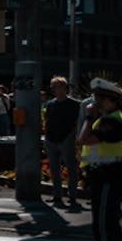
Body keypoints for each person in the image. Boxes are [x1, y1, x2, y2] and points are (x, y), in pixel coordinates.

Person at [76, 79, 122, 241]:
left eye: (100, 98)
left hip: (109, 176)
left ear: (111, 100)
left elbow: (84, 139)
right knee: (108, 226)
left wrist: (89, 117)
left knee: (104, 227)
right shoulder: (112, 119)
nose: (96, 102)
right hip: (106, 175)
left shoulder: (112, 122)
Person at [44, 76, 81, 207]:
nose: (53, 89)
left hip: (66, 139)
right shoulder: (50, 104)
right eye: (52, 86)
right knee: (54, 169)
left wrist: (72, 136)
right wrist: (46, 136)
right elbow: (47, 120)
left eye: (56, 86)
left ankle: (72, 196)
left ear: (65, 88)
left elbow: (78, 123)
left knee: (71, 168)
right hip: (51, 139)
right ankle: (57, 195)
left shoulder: (75, 104)